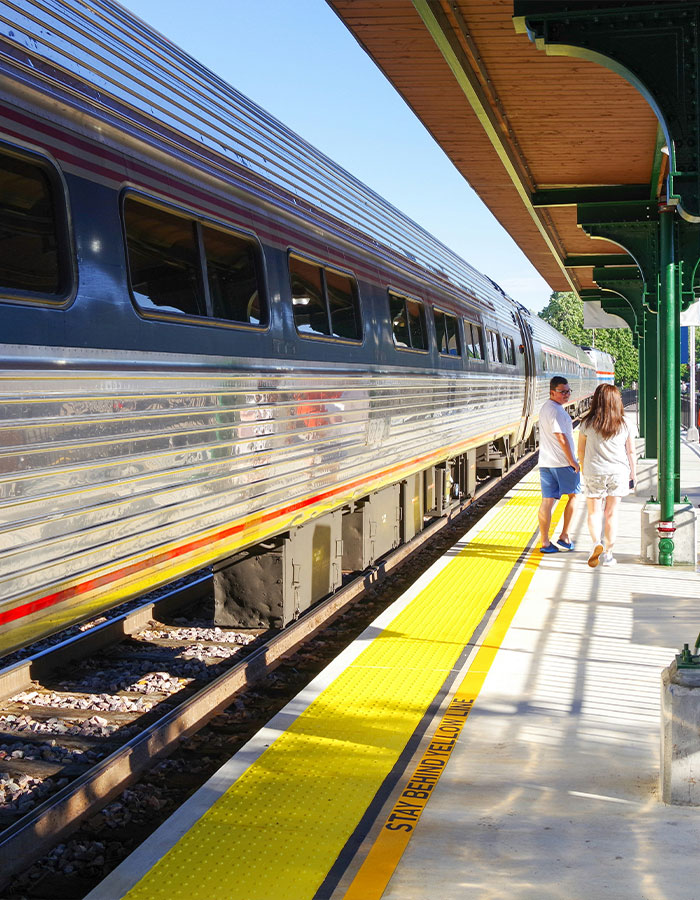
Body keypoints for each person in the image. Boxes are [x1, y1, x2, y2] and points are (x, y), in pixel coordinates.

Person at [577, 383, 637, 568]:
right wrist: (633, 474)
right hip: (618, 473)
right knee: (611, 513)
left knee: (594, 512)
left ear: (596, 401)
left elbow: (581, 450)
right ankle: (609, 555)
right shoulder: (625, 423)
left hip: (594, 471)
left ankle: (596, 543)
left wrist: (584, 469)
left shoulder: (586, 423)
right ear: (616, 401)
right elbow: (631, 452)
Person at [538, 376, 580, 553]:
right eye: (562, 392)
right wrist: (572, 461)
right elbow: (561, 437)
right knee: (574, 497)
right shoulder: (556, 412)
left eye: (568, 391)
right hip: (562, 464)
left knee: (547, 501)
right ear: (552, 392)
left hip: (546, 462)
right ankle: (564, 536)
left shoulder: (546, 408)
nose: (566, 395)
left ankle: (545, 542)